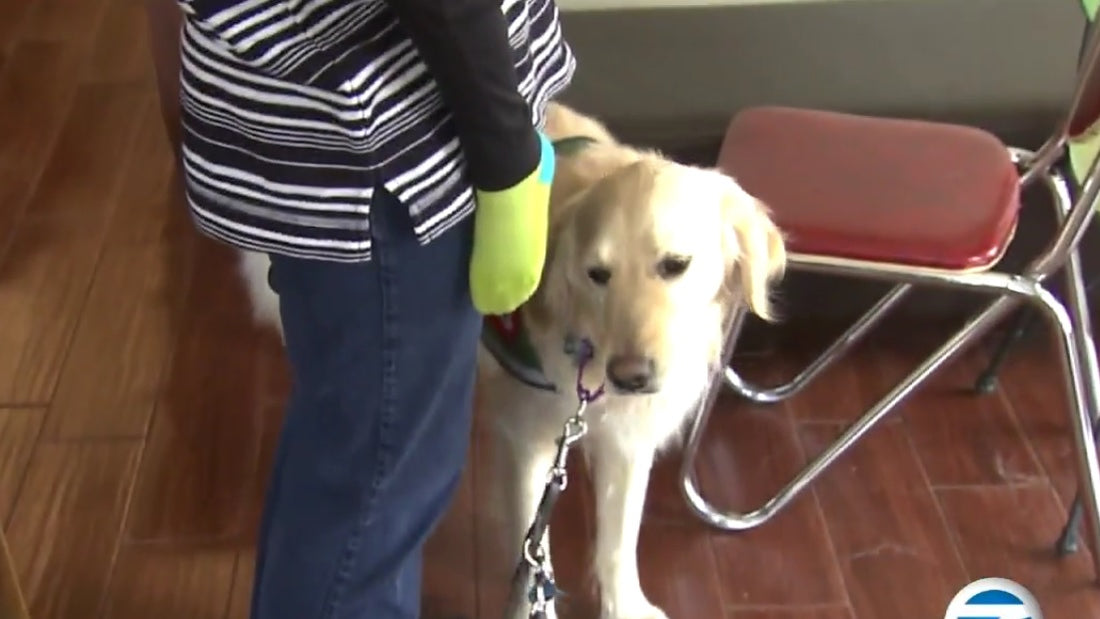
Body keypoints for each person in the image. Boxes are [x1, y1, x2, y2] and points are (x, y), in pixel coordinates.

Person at [171, 0, 575, 617]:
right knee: (377, 488)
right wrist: (506, 160)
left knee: (352, 459)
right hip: (387, 133)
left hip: (346, 114)